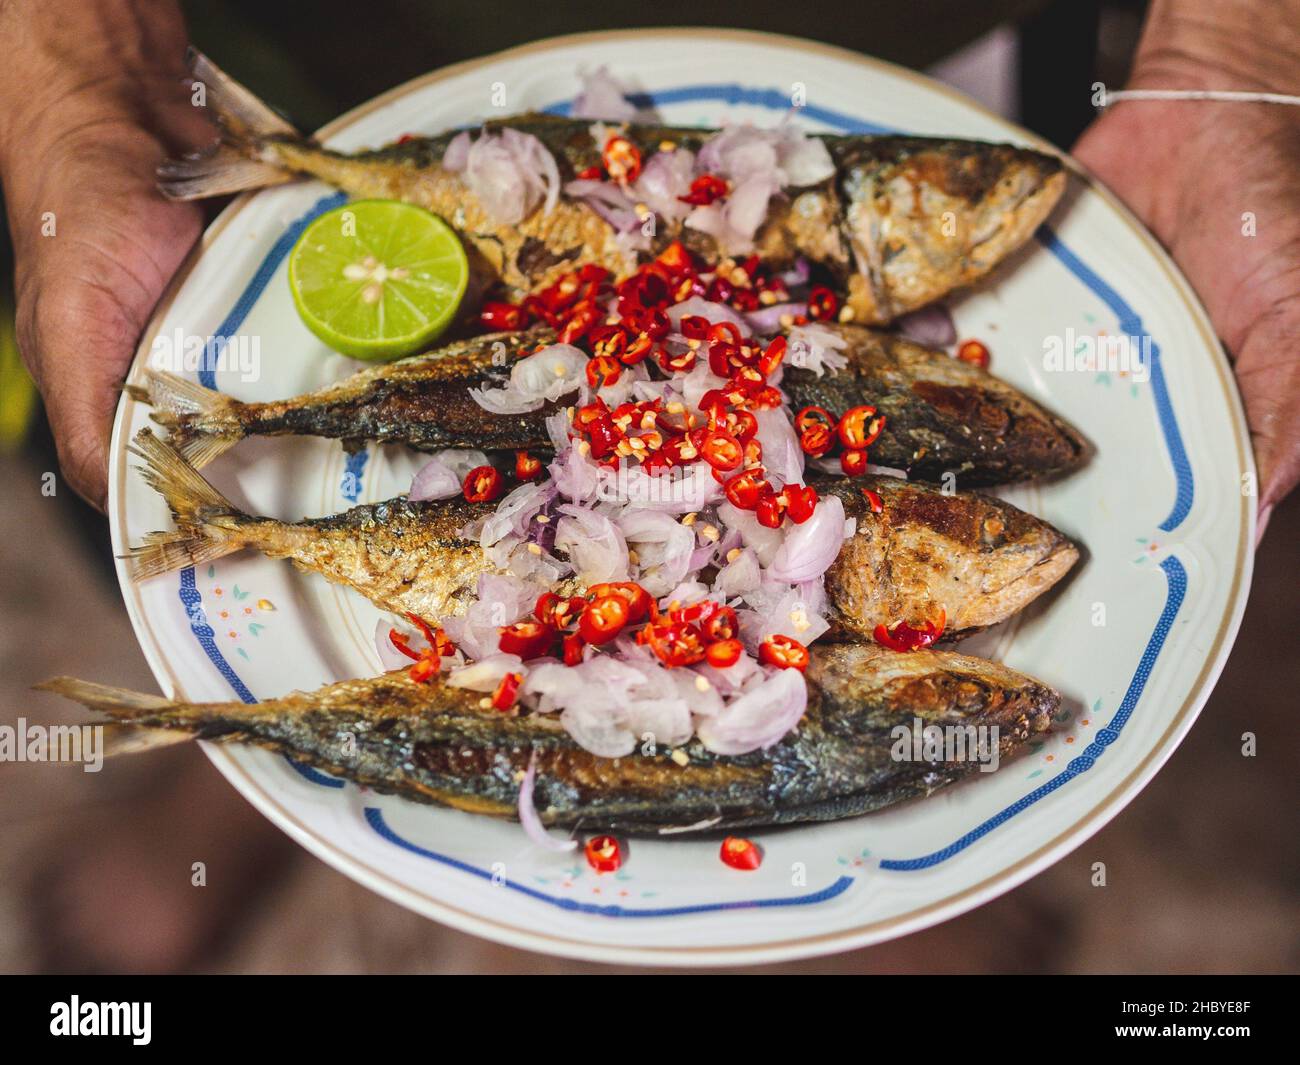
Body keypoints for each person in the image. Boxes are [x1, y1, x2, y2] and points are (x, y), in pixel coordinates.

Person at [2, 0, 1295, 969]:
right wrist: (81, 80)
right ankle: (241, 746)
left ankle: (863, 902)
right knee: (148, 427)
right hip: (336, 37)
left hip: (927, 36)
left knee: (834, 840)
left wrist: (1235, 54)